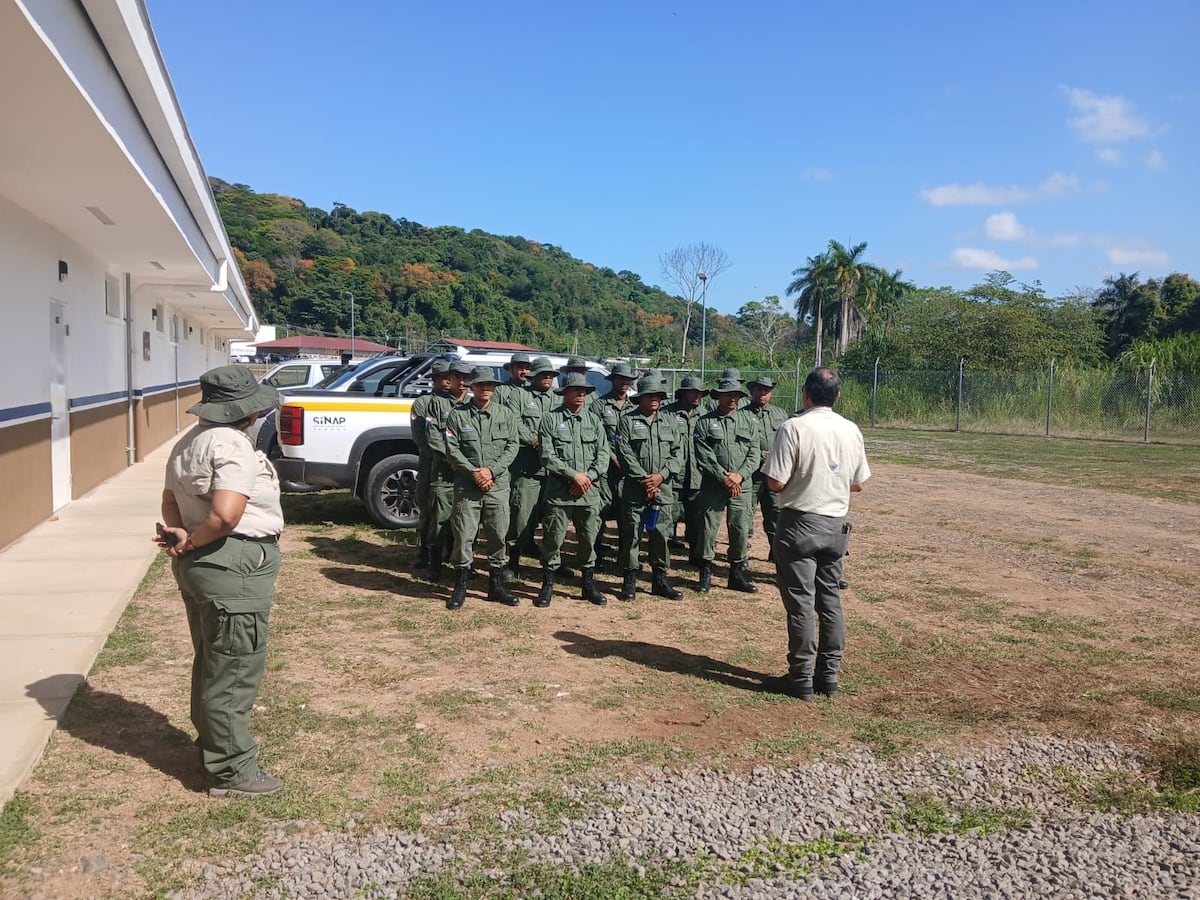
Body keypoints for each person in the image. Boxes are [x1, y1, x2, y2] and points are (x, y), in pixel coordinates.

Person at [155, 365, 284, 797]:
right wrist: (193, 540)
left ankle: (212, 744)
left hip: (204, 566)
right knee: (235, 666)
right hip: (232, 565)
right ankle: (232, 769)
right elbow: (227, 515)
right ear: (248, 411)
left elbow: (169, 501)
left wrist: (183, 536)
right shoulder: (231, 444)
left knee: (213, 657)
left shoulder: (189, 441)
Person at [761, 367, 870, 701]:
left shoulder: (793, 427)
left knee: (801, 605)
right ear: (837, 396)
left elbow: (775, 482)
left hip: (799, 522)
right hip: (835, 525)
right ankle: (829, 676)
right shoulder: (851, 430)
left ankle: (801, 678)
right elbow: (858, 483)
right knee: (830, 602)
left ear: (806, 393)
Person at [443, 367, 520, 610]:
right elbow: (452, 448)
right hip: (468, 486)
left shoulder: (506, 414)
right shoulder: (457, 415)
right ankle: (461, 585)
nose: (486, 388)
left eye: (490, 385)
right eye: (480, 384)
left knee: (498, 534)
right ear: (472, 387)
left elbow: (512, 446)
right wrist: (474, 472)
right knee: (464, 534)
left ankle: (496, 586)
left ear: (494, 388)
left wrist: (491, 471)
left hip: (497, 485)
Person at [536, 372, 609, 607]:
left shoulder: (594, 421)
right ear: (565, 392)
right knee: (553, 540)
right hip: (560, 494)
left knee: (588, 539)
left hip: (588, 493)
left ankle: (588, 585)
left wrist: (588, 477)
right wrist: (574, 476)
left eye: (584, 391)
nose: (580, 394)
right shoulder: (550, 419)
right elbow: (547, 455)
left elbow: (603, 454)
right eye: (575, 390)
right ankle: (547, 585)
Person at [614, 376, 685, 601]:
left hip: (662, 489)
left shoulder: (670, 421)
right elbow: (624, 453)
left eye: (658, 396)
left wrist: (661, 476)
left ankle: (659, 580)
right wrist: (645, 480)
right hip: (636, 489)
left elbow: (678, 453)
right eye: (649, 395)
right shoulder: (627, 421)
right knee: (632, 533)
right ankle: (629, 580)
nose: (654, 399)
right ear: (640, 398)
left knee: (661, 534)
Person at [694, 376, 761, 593]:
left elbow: (754, 454)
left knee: (740, 527)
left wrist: (739, 476)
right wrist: (724, 478)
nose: (732, 398)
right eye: (727, 395)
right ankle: (705, 572)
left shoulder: (750, 422)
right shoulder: (704, 422)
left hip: (741, 485)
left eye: (736, 395)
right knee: (708, 528)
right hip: (714, 484)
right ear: (718, 396)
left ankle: (736, 574)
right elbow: (704, 455)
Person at [501, 356, 556, 578]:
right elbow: (513, 421)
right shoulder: (519, 396)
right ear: (534, 376)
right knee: (521, 516)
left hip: (553, 471)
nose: (547, 378)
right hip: (527, 468)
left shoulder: (559, 398)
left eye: (551, 375)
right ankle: (513, 562)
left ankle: (553, 562)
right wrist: (533, 439)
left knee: (553, 518)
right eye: (543, 375)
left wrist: (548, 442)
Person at [423, 360, 474, 582]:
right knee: (440, 519)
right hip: (444, 471)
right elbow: (432, 436)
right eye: (457, 377)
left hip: (468, 474)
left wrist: (467, 465)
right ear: (449, 379)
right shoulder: (437, 404)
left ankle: (465, 564)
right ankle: (435, 563)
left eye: (465, 378)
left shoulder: (474, 404)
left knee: (468, 521)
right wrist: (451, 459)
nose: (461, 382)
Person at [409, 358, 453, 570]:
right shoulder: (423, 403)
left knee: (451, 513)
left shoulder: (458, 402)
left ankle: (449, 551)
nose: (448, 382)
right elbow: (420, 437)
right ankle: (424, 552)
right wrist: (441, 456)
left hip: (451, 468)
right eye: (443, 378)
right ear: (434, 379)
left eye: (450, 377)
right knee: (428, 510)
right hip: (430, 466)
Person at [592, 362, 637, 568]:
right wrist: (612, 457)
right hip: (606, 469)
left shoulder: (635, 406)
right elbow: (596, 437)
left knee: (626, 514)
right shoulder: (599, 405)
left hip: (629, 470)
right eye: (621, 379)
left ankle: (624, 557)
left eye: (628, 379)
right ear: (613, 380)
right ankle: (596, 555)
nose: (625, 383)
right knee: (600, 511)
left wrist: (630, 462)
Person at [746, 375, 789, 560]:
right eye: (759, 390)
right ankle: (741, 553)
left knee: (775, 513)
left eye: (767, 390)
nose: (762, 393)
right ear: (751, 391)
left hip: (774, 472)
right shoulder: (742, 414)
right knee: (745, 513)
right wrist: (760, 455)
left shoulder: (781, 414)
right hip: (751, 474)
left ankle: (776, 552)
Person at [665, 375, 706, 562]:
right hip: (673, 477)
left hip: (697, 476)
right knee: (668, 517)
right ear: (683, 393)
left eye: (700, 393)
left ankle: (695, 555)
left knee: (696, 519)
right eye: (693, 392)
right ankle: (664, 556)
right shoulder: (667, 414)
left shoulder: (704, 415)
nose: (697, 396)